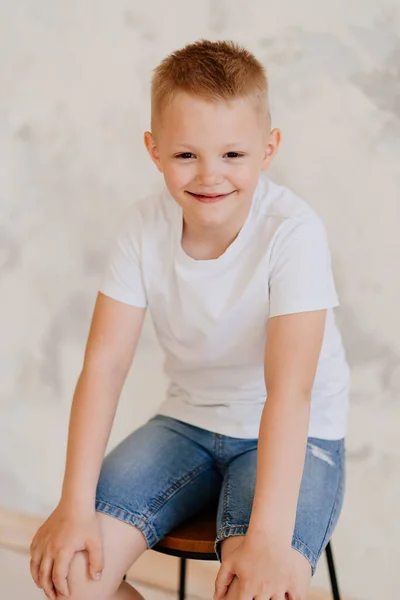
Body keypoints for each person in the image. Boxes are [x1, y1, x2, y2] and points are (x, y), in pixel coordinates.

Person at [29, 39, 349, 600]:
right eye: (185, 155)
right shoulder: (141, 229)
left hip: (295, 430)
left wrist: (269, 538)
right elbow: (104, 365)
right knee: (74, 575)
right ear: (154, 151)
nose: (209, 176)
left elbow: (290, 392)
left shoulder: (293, 233)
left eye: (232, 154)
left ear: (268, 148)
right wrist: (73, 506)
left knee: (261, 590)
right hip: (187, 422)